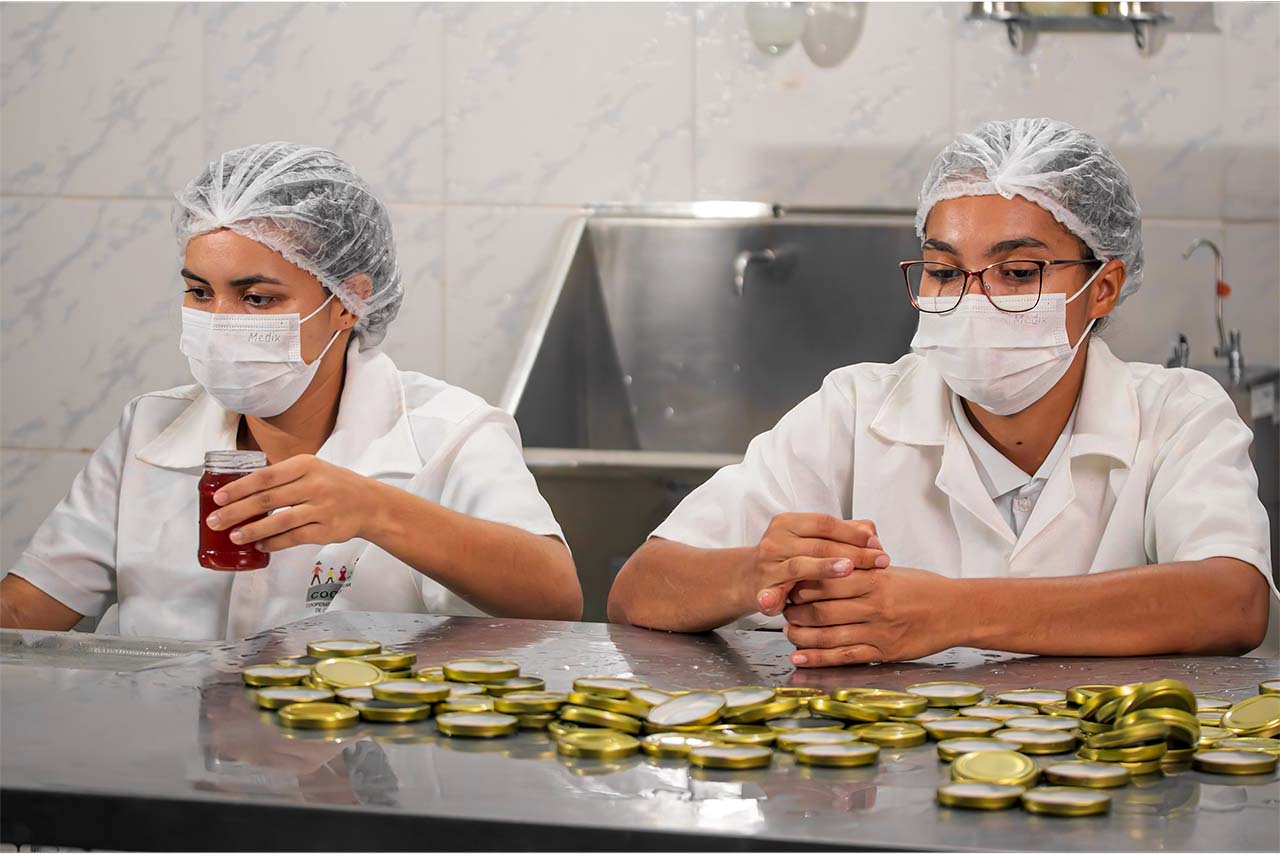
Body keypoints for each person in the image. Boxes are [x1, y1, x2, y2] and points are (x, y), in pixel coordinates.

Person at [608, 118, 1272, 665]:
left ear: (1101, 287)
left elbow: (1233, 601)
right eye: (944, 270)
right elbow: (640, 588)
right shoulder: (857, 411)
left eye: (1015, 271)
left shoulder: (1177, 416)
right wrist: (754, 573)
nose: (973, 300)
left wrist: (952, 612)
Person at [1, 143, 581, 639]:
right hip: (163, 760)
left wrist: (374, 509)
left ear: (347, 302)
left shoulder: (449, 433)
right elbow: (28, 610)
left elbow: (554, 598)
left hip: (356, 759)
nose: (220, 320)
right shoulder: (150, 429)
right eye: (200, 293)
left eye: (257, 299)